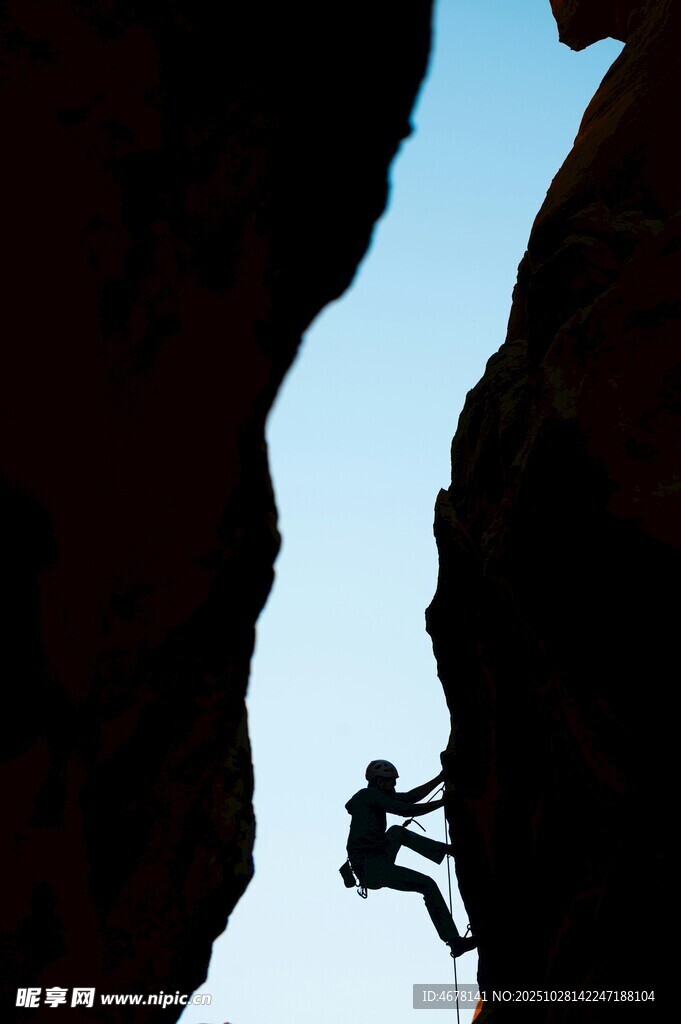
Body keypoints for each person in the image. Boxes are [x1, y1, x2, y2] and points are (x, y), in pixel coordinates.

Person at [345, 759, 477, 958]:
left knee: (396, 832)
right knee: (427, 885)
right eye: (391, 782)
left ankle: (447, 850)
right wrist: (443, 802)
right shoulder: (367, 796)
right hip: (371, 867)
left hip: (375, 860)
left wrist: (440, 778)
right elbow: (405, 810)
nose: (394, 786)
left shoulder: (374, 795)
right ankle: (454, 942)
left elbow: (409, 798)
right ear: (379, 781)